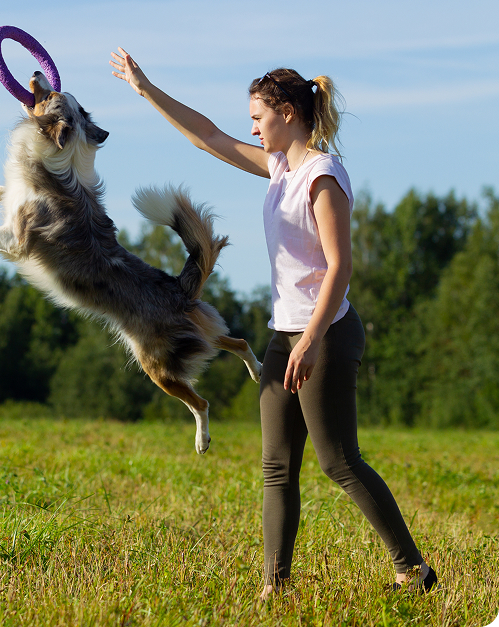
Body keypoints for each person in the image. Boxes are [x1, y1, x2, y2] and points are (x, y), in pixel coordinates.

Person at [110, 48, 438, 599]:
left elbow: (340, 266)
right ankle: (274, 588)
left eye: (258, 117)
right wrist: (146, 88)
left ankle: (414, 569)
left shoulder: (322, 175)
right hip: (285, 333)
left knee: (338, 460)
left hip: (325, 334)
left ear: (287, 112)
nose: (253, 127)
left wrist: (309, 341)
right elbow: (207, 137)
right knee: (276, 466)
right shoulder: (279, 167)